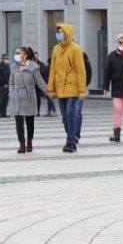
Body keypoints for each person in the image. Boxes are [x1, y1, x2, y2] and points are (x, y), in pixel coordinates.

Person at [46, 23, 88, 153]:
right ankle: (72, 136)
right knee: (65, 117)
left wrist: (81, 90)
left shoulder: (76, 49)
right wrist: (51, 88)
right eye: (58, 32)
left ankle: (71, 143)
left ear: (67, 33)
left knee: (70, 114)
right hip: (60, 88)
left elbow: (81, 70)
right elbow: (53, 69)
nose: (58, 35)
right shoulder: (56, 49)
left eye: (61, 32)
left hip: (73, 87)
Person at [8, 46, 49, 153]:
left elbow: (40, 82)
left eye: (19, 53)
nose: (16, 55)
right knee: (19, 122)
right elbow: (11, 82)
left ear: (25, 55)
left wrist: (49, 91)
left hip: (29, 97)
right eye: (16, 53)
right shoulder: (14, 66)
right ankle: (22, 144)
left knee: (30, 122)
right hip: (16, 97)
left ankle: (29, 141)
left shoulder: (33, 67)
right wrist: (12, 93)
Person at [34, 52, 57, 117]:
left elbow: (41, 74)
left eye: (37, 56)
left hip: (46, 85)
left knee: (49, 98)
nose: (36, 57)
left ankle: (53, 111)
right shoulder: (48, 67)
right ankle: (49, 112)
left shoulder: (45, 67)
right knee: (48, 98)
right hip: (43, 85)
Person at [0, 53, 11, 118]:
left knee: (6, 100)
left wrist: (8, 83)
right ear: (2, 59)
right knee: (0, 100)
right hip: (1, 86)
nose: (7, 60)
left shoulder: (8, 66)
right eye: (5, 58)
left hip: (7, 85)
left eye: (7, 58)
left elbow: (9, 75)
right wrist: (4, 83)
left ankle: (4, 113)